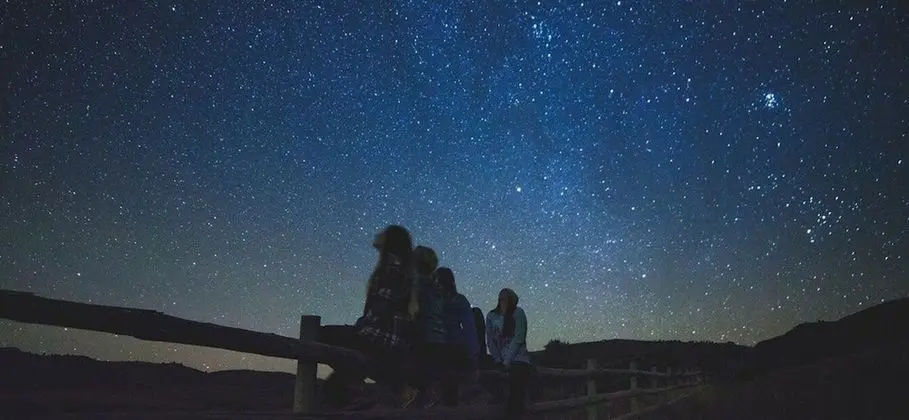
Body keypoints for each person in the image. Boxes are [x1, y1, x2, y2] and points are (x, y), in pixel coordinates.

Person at [323, 225, 421, 409]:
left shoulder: (392, 268)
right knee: (341, 373)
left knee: (324, 336)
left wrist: (361, 326)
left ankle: (382, 385)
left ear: (390, 241)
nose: (378, 234)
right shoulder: (399, 268)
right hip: (389, 335)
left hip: (382, 334)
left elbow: (379, 309)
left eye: (383, 233)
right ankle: (393, 386)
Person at [436, 266, 480, 406]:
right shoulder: (458, 300)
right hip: (453, 348)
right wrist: (473, 355)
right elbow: (469, 329)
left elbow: (469, 328)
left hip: (440, 347)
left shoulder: (434, 299)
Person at [486, 288, 531, 419]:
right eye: (501, 298)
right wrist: (497, 360)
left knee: (516, 389)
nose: (503, 301)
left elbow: (518, 339)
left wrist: (506, 362)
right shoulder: (491, 316)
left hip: (518, 359)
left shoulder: (518, 313)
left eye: (506, 298)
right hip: (500, 359)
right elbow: (490, 341)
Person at [411, 245, 447, 406]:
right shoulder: (436, 286)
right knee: (431, 383)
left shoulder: (417, 283)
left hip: (423, 337)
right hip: (439, 339)